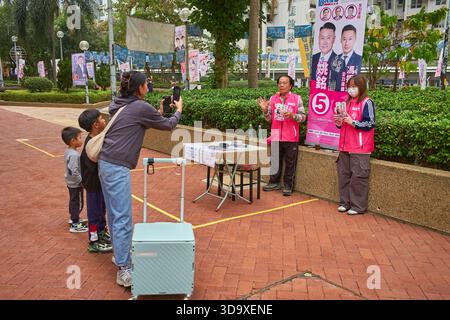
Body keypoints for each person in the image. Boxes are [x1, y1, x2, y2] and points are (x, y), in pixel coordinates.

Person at [98, 71, 183, 288]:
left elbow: (136, 119)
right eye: (147, 84)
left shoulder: (119, 103)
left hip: (106, 162)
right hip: (116, 167)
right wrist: (179, 110)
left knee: (115, 214)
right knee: (123, 218)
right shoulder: (140, 107)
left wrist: (158, 112)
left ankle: (120, 256)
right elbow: (168, 126)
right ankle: (124, 269)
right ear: (140, 88)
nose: (149, 86)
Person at [333, 74, 375, 215]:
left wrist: (353, 122)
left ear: (361, 87)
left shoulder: (367, 102)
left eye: (354, 86)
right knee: (344, 175)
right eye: (349, 87)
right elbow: (343, 125)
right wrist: (339, 122)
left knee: (358, 178)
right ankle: (345, 203)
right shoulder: (346, 102)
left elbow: (370, 123)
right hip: (345, 146)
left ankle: (358, 206)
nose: (351, 89)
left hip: (360, 148)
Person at [257, 75, 306, 196]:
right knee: (275, 160)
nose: (282, 85)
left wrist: (292, 115)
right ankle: (274, 182)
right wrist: (264, 110)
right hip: (275, 135)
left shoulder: (297, 98)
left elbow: (303, 117)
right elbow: (269, 119)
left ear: (290, 86)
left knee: (290, 163)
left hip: (291, 136)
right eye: (280, 83)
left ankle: (288, 185)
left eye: (285, 83)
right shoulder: (273, 99)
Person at [78, 109, 113, 253]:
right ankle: (93, 241)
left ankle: (101, 232)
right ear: (95, 125)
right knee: (94, 214)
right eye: (101, 119)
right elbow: (94, 165)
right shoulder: (91, 144)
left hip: (100, 184)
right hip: (93, 186)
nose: (104, 120)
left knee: (101, 210)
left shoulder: (98, 137)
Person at [61, 127, 88, 233]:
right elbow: (74, 170)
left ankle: (74, 218)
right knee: (78, 202)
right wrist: (81, 181)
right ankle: (75, 223)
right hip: (75, 183)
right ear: (73, 140)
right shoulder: (74, 155)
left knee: (73, 200)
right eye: (80, 138)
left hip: (70, 182)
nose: (81, 140)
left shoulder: (69, 151)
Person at [332, 24, 363, 92]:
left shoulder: (359, 59)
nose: (346, 43)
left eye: (350, 39)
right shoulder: (336, 59)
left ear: (355, 40)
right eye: (344, 39)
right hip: (336, 98)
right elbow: (332, 80)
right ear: (340, 40)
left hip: (351, 98)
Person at [311, 22, 337, 90]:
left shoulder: (338, 61)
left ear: (333, 39)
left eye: (328, 38)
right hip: (315, 97)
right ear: (318, 39)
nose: (324, 42)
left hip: (331, 98)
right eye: (322, 38)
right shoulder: (313, 58)